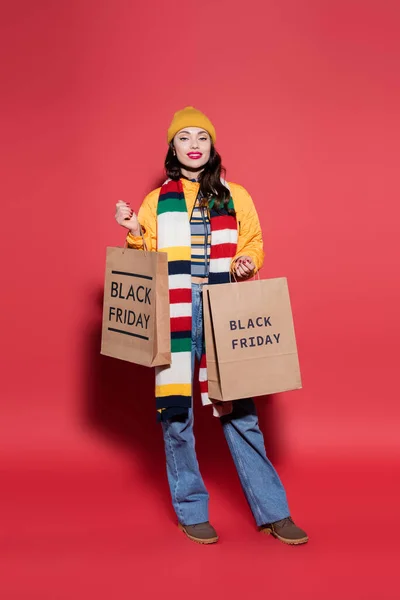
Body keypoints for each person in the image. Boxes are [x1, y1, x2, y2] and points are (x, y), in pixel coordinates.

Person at [115, 106, 308, 546]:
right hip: (176, 310)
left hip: (221, 306)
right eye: (185, 137)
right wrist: (132, 230)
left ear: (212, 145)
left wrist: (246, 262)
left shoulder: (234, 194)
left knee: (239, 409)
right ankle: (190, 509)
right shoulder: (155, 200)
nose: (194, 145)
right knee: (176, 413)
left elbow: (253, 242)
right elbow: (147, 263)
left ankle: (274, 511)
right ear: (173, 147)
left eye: (202, 137)